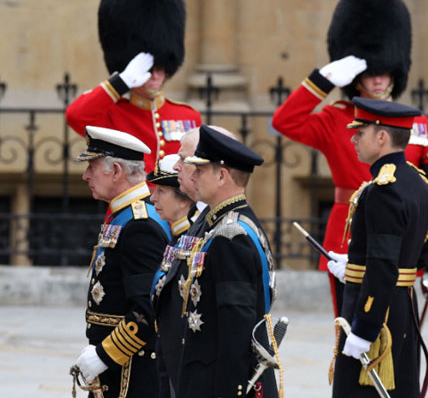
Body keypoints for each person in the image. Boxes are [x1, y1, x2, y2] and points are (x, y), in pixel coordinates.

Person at [271, 0, 428, 318]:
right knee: (349, 329)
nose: (379, 79)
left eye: (385, 71)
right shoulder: (334, 118)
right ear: (356, 75)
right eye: (370, 71)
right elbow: (284, 122)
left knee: (399, 333)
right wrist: (322, 79)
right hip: (348, 232)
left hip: (403, 233)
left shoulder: (415, 121)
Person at [328, 97, 428, 398]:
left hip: (378, 316)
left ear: (381, 136)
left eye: (359, 132)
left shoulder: (383, 190)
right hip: (401, 306)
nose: (353, 139)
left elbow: (383, 265)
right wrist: (352, 265)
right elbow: (418, 256)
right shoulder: (421, 184)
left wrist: (365, 328)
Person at [178, 125, 278, 398]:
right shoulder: (229, 224)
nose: (192, 175)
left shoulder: (230, 236)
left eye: (199, 170)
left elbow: (236, 328)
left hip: (219, 384)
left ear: (222, 176)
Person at [73, 126, 171, 397]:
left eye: (92, 167)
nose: (85, 175)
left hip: (131, 372)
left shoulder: (140, 224)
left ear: (115, 170)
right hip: (116, 368)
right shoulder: (123, 215)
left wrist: (105, 354)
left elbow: (146, 309)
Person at [66, 0, 201, 173]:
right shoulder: (112, 114)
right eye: (148, 69)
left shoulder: (187, 116)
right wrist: (122, 81)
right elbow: (75, 116)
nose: (156, 75)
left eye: (161, 67)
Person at [146, 154, 195, 398]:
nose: (153, 197)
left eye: (162, 191)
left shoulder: (193, 243)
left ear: (184, 199)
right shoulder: (176, 241)